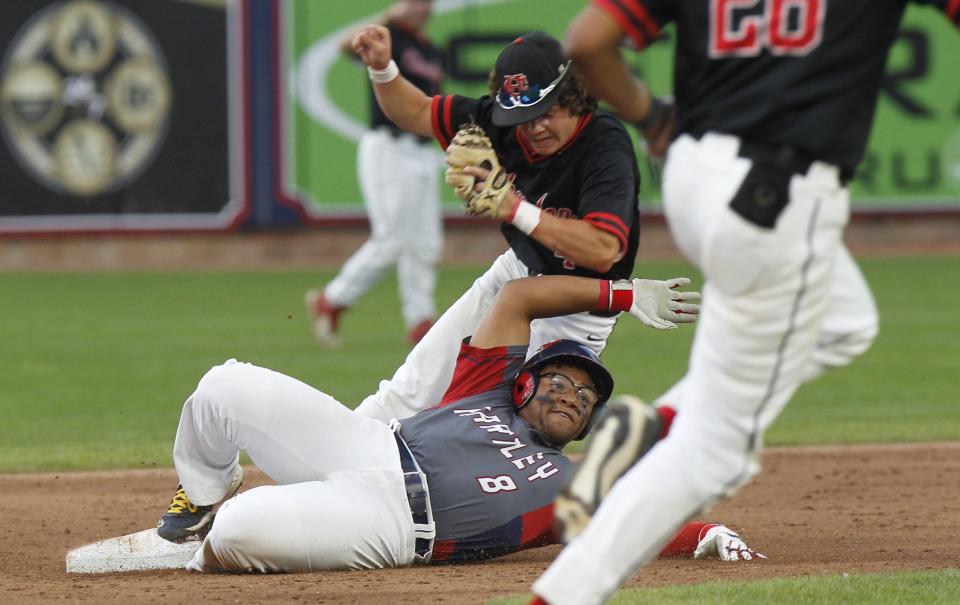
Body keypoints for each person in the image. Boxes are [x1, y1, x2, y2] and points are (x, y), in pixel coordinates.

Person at [530, 2, 960, 604]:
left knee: (845, 322)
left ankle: (655, 427)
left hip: (695, 176)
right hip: (777, 197)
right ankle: (565, 590)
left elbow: (587, 40)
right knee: (715, 452)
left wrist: (651, 116)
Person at [152, 271, 766, 572]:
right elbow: (520, 297)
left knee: (238, 533)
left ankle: (228, 525)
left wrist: (706, 534)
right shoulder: (490, 386)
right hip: (369, 446)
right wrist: (622, 295)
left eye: (586, 397)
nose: (576, 396)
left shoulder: (571, 483)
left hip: (393, 527)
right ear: (524, 381)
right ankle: (205, 488)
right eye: (562, 380)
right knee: (222, 385)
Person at [346, 28, 665, 425]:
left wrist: (515, 209)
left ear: (575, 95)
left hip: (578, 304)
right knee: (411, 390)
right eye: (523, 117)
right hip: (517, 272)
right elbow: (415, 112)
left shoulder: (604, 145)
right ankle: (330, 459)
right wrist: (382, 69)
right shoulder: (496, 124)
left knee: (520, 428)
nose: (533, 128)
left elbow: (602, 250)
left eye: (545, 112)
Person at [305, 0, 444, 346]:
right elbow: (344, 45)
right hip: (388, 146)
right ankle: (331, 300)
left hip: (421, 151)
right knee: (392, 238)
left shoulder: (431, 50)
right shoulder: (388, 34)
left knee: (425, 241)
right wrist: (385, 18)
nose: (419, 6)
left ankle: (420, 321)